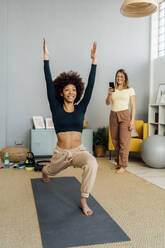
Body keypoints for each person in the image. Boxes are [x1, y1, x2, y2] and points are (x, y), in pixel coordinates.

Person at [42, 38, 98, 216]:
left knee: (92, 163)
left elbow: (90, 87)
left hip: (79, 151)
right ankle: (44, 172)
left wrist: (94, 61)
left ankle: (83, 199)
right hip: (61, 154)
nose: (71, 92)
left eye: (73, 90)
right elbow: (48, 83)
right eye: (67, 90)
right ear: (61, 92)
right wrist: (46, 59)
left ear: (77, 92)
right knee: (49, 171)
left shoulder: (81, 107)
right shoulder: (55, 107)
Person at [106, 69, 136, 174]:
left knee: (124, 141)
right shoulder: (113, 90)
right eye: (118, 76)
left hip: (125, 115)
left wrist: (132, 121)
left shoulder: (130, 90)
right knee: (115, 140)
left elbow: (133, 106)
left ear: (125, 78)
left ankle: (123, 165)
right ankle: (118, 163)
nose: (119, 78)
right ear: (116, 78)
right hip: (113, 115)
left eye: (121, 76)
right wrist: (109, 94)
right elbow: (107, 103)